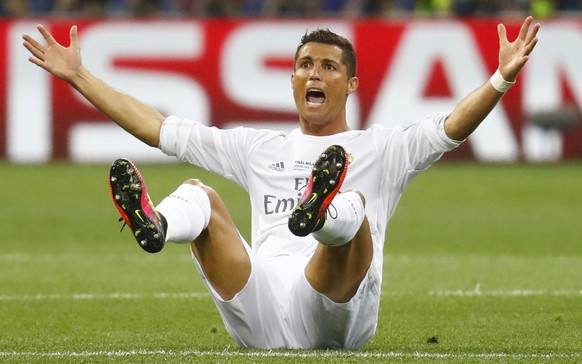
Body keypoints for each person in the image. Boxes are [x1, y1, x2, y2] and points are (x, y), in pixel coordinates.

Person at [22, 17, 540, 349]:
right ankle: (157, 225)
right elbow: (157, 128)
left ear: (351, 83)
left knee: (352, 201)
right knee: (198, 195)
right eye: (304, 65)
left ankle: (322, 212)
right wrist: (79, 77)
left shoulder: (384, 146)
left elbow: (452, 127)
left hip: (335, 309)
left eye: (329, 66)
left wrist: (501, 79)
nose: (314, 74)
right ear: (292, 80)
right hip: (261, 307)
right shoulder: (258, 148)